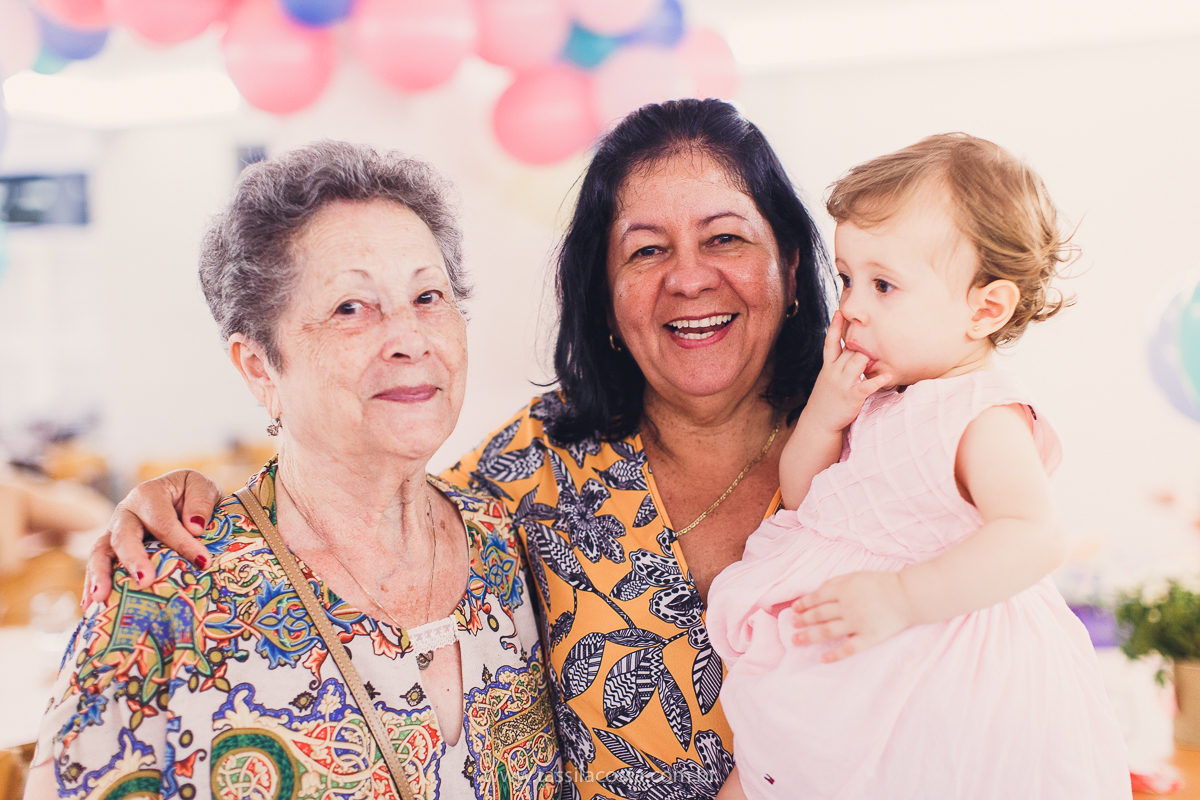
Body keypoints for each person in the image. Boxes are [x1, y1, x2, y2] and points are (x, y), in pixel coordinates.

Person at [84, 100, 832, 798]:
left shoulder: (878, 440)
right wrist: (180, 499)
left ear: (792, 264)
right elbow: (361, 489)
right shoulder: (529, 477)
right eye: (646, 250)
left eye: (725, 238)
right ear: (605, 293)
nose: (690, 278)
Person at [25, 142, 561, 800]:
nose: (410, 338)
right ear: (259, 367)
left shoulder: (511, 542)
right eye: (351, 308)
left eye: (428, 296)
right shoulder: (162, 601)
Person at [705, 134, 1130, 799]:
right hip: (853, 675)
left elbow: (1035, 534)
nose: (851, 307)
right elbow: (801, 499)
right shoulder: (881, 397)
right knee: (770, 769)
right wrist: (824, 415)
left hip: (941, 674)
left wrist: (905, 596)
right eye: (847, 279)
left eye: (883, 285)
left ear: (985, 309)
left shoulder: (980, 416)